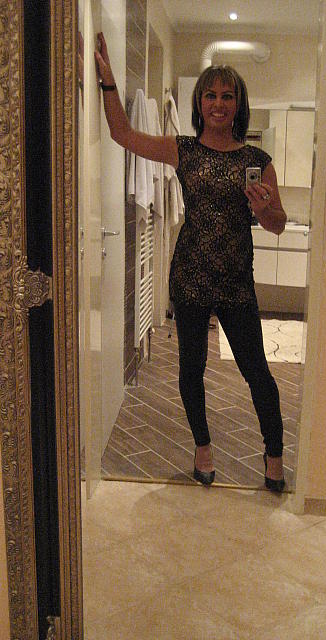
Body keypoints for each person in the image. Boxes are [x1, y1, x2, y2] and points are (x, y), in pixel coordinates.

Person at [95, 33, 287, 491]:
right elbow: (123, 134)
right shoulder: (183, 148)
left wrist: (263, 209)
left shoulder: (258, 159)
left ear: (238, 105)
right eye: (210, 95)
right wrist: (107, 82)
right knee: (191, 369)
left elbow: (278, 224)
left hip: (237, 281)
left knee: (257, 371)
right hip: (190, 276)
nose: (218, 103)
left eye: (227, 96)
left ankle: (274, 453)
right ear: (200, 103)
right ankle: (202, 448)